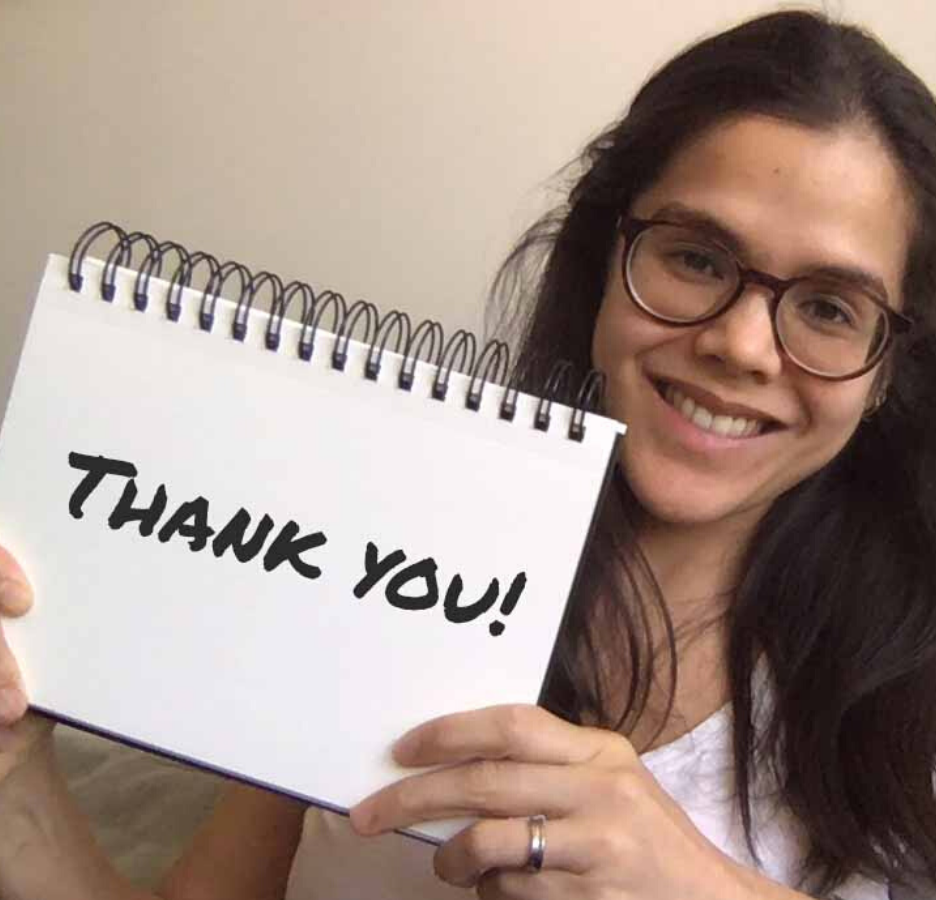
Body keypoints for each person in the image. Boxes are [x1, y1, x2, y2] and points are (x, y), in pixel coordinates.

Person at [1, 8, 935, 900]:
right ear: (604, 259)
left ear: (889, 364)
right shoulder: (367, 545)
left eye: (828, 308)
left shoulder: (911, 685)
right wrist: (16, 788)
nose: (741, 345)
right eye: (695, 257)